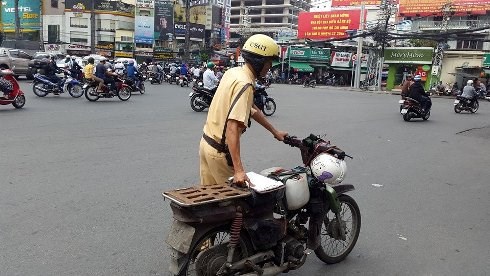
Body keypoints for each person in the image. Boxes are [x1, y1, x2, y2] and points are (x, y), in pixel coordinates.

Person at [199, 34, 288, 187]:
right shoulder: (245, 84)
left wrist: (275, 132)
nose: (269, 67)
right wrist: (239, 170)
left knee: (210, 204)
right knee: (235, 205)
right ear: (259, 61)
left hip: (206, 145)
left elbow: (252, 109)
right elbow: (232, 127)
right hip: (220, 154)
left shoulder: (233, 73)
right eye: (268, 62)